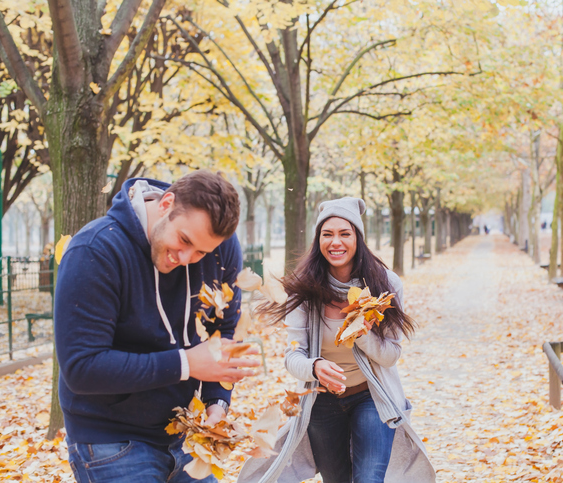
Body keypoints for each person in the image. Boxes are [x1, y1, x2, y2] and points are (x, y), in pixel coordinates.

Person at [55, 172, 260, 483]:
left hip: (184, 431)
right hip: (110, 437)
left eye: (201, 252)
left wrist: (217, 403)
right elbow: (82, 368)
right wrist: (188, 363)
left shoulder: (221, 247)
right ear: (166, 204)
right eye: (184, 240)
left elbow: (224, 330)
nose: (187, 258)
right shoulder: (95, 250)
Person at [238, 197, 435, 483]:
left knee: (369, 479)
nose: (336, 242)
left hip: (371, 396)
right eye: (327, 234)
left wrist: (363, 334)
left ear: (358, 237)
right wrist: (316, 367)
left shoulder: (385, 285)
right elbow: (293, 357)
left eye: (345, 233)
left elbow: (391, 355)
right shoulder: (304, 290)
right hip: (322, 403)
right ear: (318, 239)